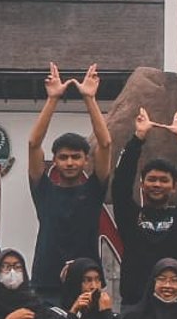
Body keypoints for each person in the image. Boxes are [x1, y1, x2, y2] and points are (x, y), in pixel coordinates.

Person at [25, 62, 113, 298]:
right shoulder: (43, 190)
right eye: (63, 157)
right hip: (47, 282)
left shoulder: (93, 190)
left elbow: (105, 144)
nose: (70, 162)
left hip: (88, 282)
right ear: (54, 160)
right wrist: (53, 99)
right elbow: (33, 144)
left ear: (86, 160)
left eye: (76, 157)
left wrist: (89, 98)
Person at [111, 108, 177, 307]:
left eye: (163, 180)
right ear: (142, 184)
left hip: (174, 304)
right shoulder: (130, 217)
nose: (157, 184)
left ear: (174, 186)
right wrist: (138, 138)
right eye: (152, 179)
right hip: (134, 304)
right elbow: (120, 184)